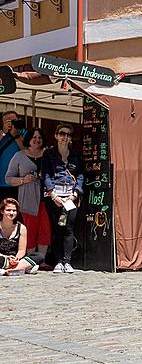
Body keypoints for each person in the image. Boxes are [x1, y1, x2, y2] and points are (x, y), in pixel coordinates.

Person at [42, 123, 83, 274]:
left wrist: (75, 194)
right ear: (56, 136)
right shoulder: (49, 154)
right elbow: (45, 175)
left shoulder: (75, 154)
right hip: (54, 196)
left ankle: (67, 261)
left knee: (68, 228)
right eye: (62, 134)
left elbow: (80, 175)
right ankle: (58, 261)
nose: (65, 137)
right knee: (57, 228)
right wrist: (52, 194)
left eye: (68, 135)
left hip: (70, 197)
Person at [5, 128, 50, 257]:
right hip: (28, 199)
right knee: (30, 229)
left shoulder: (49, 154)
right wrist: (23, 180)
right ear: (28, 139)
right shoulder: (19, 156)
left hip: (46, 199)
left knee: (45, 229)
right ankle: (30, 259)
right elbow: (8, 179)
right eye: (34, 137)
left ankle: (42, 259)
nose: (37, 140)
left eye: (39, 137)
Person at [0, 198, 39, 275]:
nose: (11, 213)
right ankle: (24, 268)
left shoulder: (21, 228)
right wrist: (7, 257)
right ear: (2, 211)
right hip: (2, 258)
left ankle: (9, 270)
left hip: (16, 259)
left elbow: (21, 250)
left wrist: (16, 259)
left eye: (14, 211)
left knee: (39, 256)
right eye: (8, 210)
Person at [0, 111, 26, 201]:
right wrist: (4, 133)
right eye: (8, 121)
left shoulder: (23, 134)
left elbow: (27, 152)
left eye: (13, 121)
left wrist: (16, 135)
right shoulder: (1, 134)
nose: (11, 123)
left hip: (16, 182)